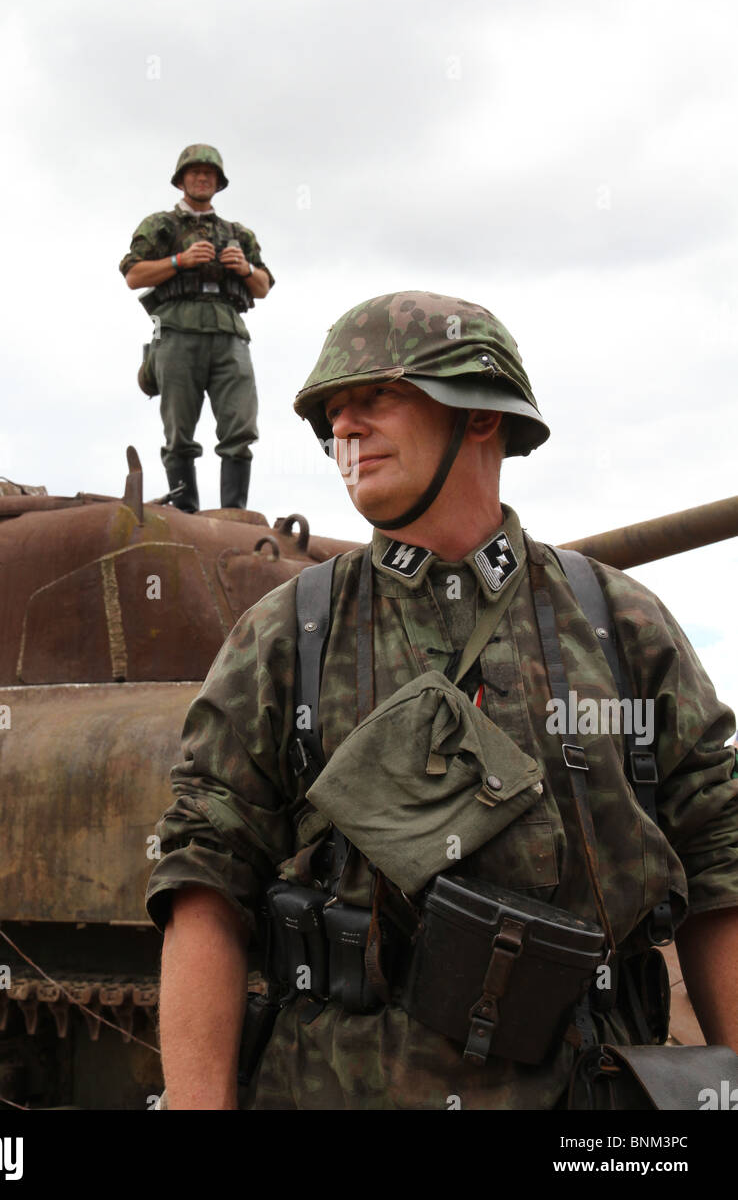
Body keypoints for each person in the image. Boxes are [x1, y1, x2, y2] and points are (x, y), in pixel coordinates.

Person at [146, 291, 738, 1110]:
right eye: (331, 416)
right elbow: (205, 878)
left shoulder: (618, 626)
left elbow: (719, 864)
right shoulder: (290, 634)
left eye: (374, 397)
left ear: (481, 416)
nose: (344, 430)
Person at [119, 144, 273, 511]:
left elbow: (263, 286)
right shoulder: (161, 225)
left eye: (209, 174)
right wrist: (179, 260)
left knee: (240, 427)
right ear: (181, 180)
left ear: (218, 183)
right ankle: (185, 512)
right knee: (179, 432)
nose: (202, 178)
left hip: (229, 335)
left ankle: (233, 514)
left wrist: (245, 269)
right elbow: (133, 275)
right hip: (177, 332)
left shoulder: (237, 234)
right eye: (195, 172)